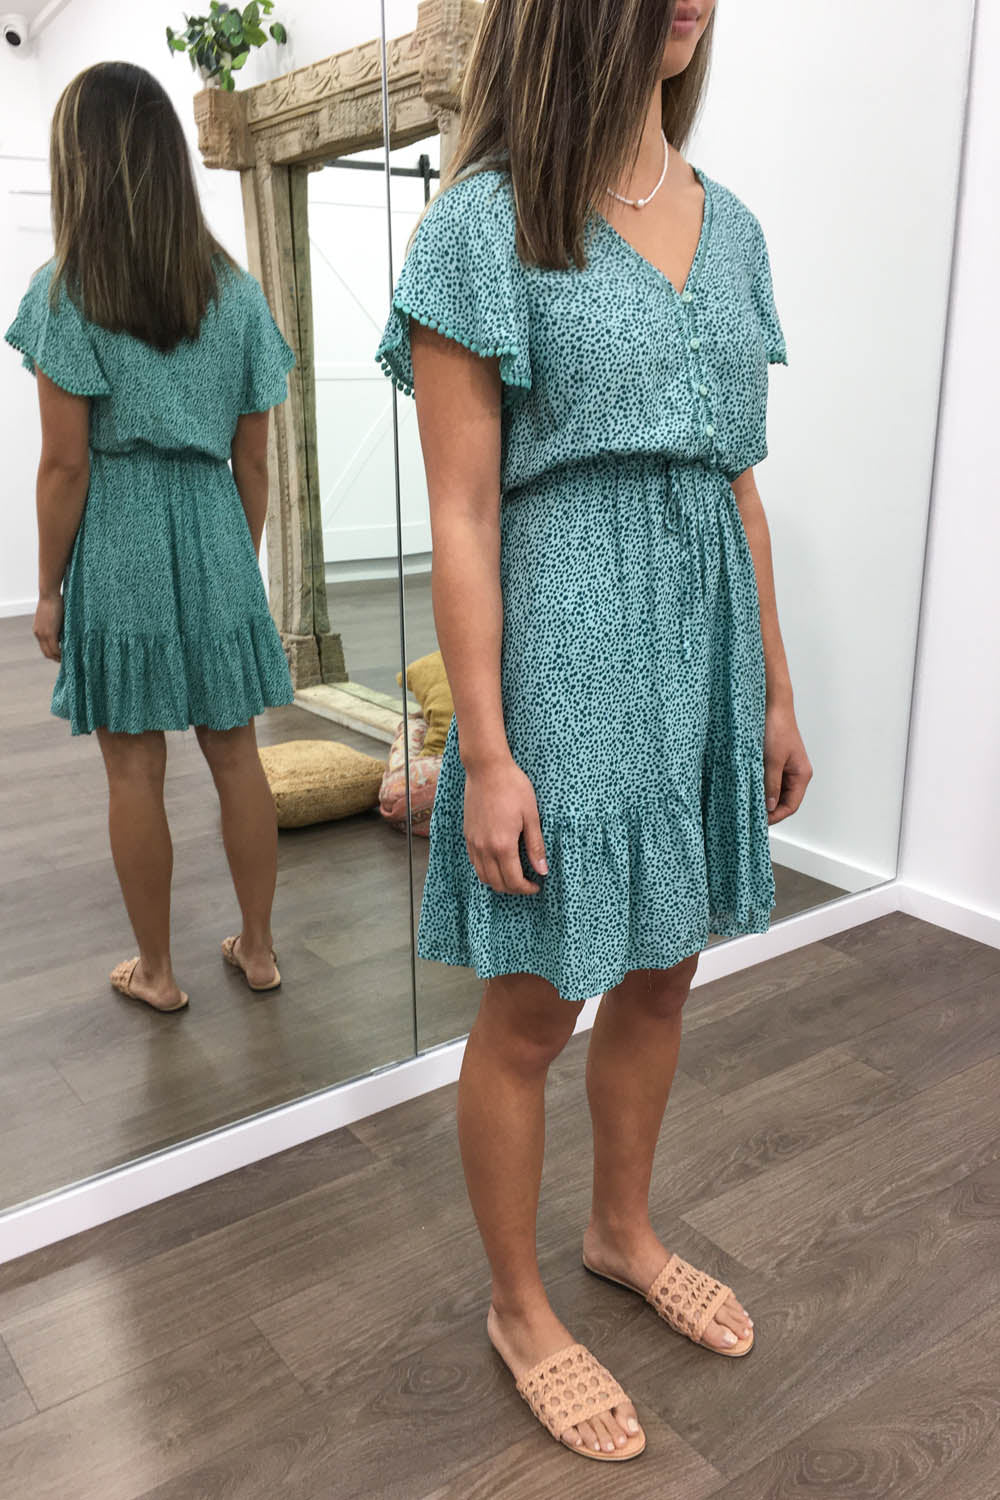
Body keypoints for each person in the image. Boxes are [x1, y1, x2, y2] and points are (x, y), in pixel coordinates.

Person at [375, 0, 813, 1465]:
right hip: (564, 649)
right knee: (530, 1007)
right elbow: (459, 512)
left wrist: (773, 689)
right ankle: (519, 1308)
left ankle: (621, 1231)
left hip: (700, 649)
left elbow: (740, 483)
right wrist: (487, 752)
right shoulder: (483, 225)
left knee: (667, 969)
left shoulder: (733, 228)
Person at [4, 62, 297, 1013]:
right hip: (215, 524)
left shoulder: (66, 294)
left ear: (80, 164)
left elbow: (65, 467)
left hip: (121, 531)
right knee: (236, 751)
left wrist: (48, 588)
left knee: (134, 766)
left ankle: (159, 973)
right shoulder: (237, 294)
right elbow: (256, 460)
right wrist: (235, 559)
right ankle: (260, 949)